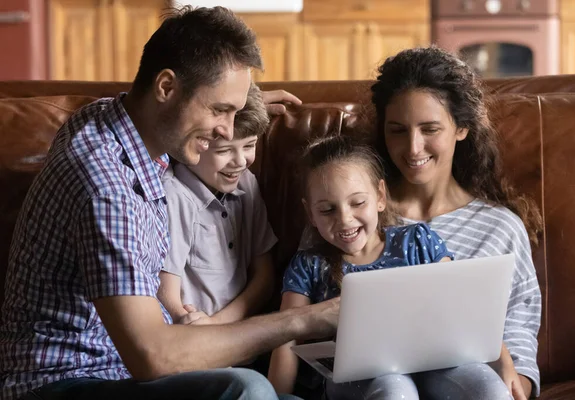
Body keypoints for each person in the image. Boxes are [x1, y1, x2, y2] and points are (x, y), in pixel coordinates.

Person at [0, 6, 339, 400]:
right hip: (69, 382)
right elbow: (152, 355)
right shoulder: (106, 189)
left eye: (232, 112)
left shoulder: (110, 121)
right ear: (165, 87)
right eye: (219, 110)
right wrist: (301, 321)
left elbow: (181, 116)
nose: (225, 130)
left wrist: (237, 103)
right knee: (246, 389)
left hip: (116, 372)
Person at [371, 46, 543, 399]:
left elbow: (519, 331)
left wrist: (510, 385)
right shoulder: (353, 214)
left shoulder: (500, 228)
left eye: (429, 129)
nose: (413, 148)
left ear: (461, 127)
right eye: (398, 130)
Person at [267, 135, 454, 398]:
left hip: (430, 365)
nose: (344, 220)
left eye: (357, 203)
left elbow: (460, 311)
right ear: (310, 213)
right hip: (354, 378)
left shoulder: (418, 242)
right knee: (395, 388)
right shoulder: (308, 265)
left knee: (484, 386)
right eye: (327, 210)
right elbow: (286, 338)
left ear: (379, 196)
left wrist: (504, 364)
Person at [158, 82, 276, 326]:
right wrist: (188, 319)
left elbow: (264, 277)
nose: (241, 161)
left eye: (250, 146)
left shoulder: (247, 183)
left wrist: (219, 325)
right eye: (224, 151)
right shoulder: (175, 195)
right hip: (194, 339)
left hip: (234, 334)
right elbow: (165, 290)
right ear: (194, 143)